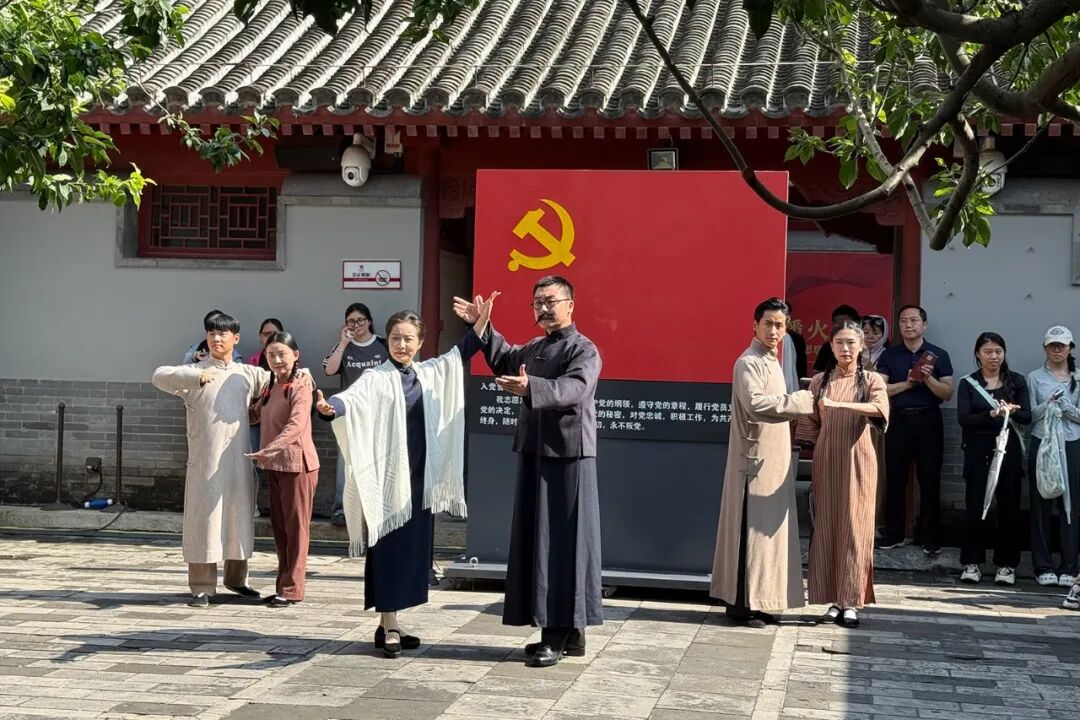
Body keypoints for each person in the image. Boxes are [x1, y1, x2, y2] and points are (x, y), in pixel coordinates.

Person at [317, 295, 496, 658]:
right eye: (396, 338)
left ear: (420, 342)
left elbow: (462, 352)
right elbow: (349, 399)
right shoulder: (375, 378)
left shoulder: (429, 373)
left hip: (419, 479)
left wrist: (480, 322)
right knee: (387, 551)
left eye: (408, 338)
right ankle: (391, 625)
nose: (401, 344)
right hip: (388, 481)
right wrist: (328, 407)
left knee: (410, 554)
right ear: (388, 340)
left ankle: (389, 623)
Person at [455, 275, 603, 668]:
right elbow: (505, 357)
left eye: (551, 301)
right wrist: (482, 324)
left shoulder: (583, 349)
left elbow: (575, 389)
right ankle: (572, 634)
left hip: (569, 457)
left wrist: (530, 388)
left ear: (570, 304)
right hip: (536, 452)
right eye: (538, 302)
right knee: (541, 543)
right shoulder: (536, 347)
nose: (543, 308)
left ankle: (555, 635)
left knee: (562, 545)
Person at [153, 312, 271, 608]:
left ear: (236, 338)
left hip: (239, 460)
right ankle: (202, 586)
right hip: (205, 463)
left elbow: (280, 379)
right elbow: (159, 375)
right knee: (204, 521)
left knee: (237, 518)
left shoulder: (247, 373)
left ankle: (237, 579)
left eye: (223, 334)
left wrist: (303, 374)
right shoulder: (196, 372)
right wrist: (195, 376)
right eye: (211, 334)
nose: (217, 339)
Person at [711, 297, 815, 629]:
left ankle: (764, 601)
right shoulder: (748, 362)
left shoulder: (771, 360)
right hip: (753, 464)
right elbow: (756, 404)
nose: (773, 330)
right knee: (750, 535)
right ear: (754, 325)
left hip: (772, 461)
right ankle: (743, 606)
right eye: (768, 323)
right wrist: (800, 401)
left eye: (780, 325)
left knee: (769, 538)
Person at [796, 321, 888, 628]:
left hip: (859, 458)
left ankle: (852, 602)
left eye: (851, 342)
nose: (845, 348)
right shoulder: (819, 381)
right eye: (839, 343)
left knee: (855, 528)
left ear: (861, 346)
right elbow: (809, 424)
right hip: (826, 460)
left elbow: (880, 409)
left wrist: (840, 404)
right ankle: (833, 599)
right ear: (831, 346)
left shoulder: (871, 380)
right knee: (826, 525)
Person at [246, 331, 320, 607]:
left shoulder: (301, 387)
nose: (277, 360)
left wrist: (269, 449)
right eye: (271, 355)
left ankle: (292, 589)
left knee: (296, 530)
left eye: (282, 354)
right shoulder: (272, 385)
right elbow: (253, 414)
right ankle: (283, 586)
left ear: (295, 355)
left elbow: (296, 425)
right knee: (280, 530)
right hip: (275, 466)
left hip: (297, 466)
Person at [875, 305, 954, 555]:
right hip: (898, 420)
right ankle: (894, 534)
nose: (908, 325)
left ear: (924, 325)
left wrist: (927, 378)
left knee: (930, 480)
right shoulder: (889, 356)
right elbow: (880, 390)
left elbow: (947, 393)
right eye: (903, 321)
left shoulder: (938, 355)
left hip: (928, 420)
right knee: (895, 479)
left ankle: (930, 537)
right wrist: (908, 384)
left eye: (914, 320)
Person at [956, 332, 1030, 586]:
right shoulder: (968, 383)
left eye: (998, 351)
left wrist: (1012, 411)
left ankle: (1006, 565)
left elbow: (1027, 416)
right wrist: (990, 414)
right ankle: (972, 562)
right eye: (988, 352)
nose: (993, 356)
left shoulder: (1016, 381)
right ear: (978, 354)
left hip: (1007, 446)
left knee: (1009, 505)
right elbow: (963, 419)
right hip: (977, 448)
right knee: (975, 504)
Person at [323, 303, 388, 527]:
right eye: (351, 321)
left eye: (360, 320)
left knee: (377, 461)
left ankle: (375, 509)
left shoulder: (383, 345)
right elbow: (329, 370)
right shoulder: (344, 346)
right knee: (346, 462)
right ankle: (341, 510)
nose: (356, 325)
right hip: (349, 413)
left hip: (378, 413)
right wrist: (343, 343)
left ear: (369, 321)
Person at [1028, 325, 1080, 590]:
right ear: (1045, 348)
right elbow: (1029, 416)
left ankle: (1070, 565)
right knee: (1041, 503)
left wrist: (1067, 407)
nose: (1057, 349)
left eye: (1062, 345)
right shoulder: (1034, 377)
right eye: (1052, 345)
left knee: (1072, 503)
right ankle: (1043, 565)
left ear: (1070, 348)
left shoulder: (1079, 377)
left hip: (1071, 443)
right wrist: (1046, 404)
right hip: (1043, 442)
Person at [248, 318, 284, 518]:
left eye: (274, 333)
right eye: (266, 333)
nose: (270, 337)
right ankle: (251, 504)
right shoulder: (254, 359)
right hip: (256, 417)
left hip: (278, 420)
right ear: (260, 337)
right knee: (251, 462)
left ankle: (279, 506)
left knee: (277, 463)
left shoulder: (287, 357)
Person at [813, 304, 860, 373]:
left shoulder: (862, 347)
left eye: (844, 324)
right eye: (837, 324)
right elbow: (817, 371)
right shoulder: (827, 347)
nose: (840, 328)